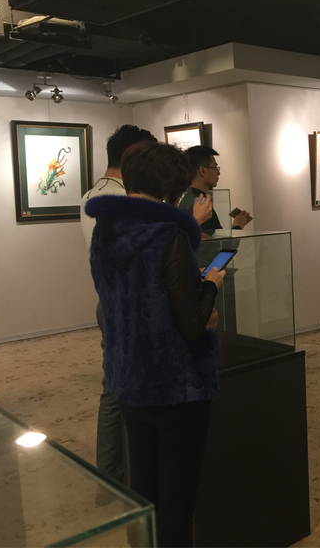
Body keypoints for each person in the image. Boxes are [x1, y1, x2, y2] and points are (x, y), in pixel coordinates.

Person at [86, 140, 223, 547]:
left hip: (129, 382)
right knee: (177, 507)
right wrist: (210, 286)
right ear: (170, 187)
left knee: (144, 495)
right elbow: (192, 325)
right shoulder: (169, 236)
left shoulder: (105, 229)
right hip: (175, 389)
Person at [80, 124, 156, 488]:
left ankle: (113, 470)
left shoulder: (93, 193)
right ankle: (112, 472)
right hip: (126, 300)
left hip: (110, 297)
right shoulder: (120, 198)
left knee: (116, 384)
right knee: (116, 389)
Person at [178, 145, 252, 235]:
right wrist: (237, 226)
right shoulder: (201, 204)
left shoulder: (188, 198)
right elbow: (218, 243)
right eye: (215, 168)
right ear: (202, 171)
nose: (218, 172)